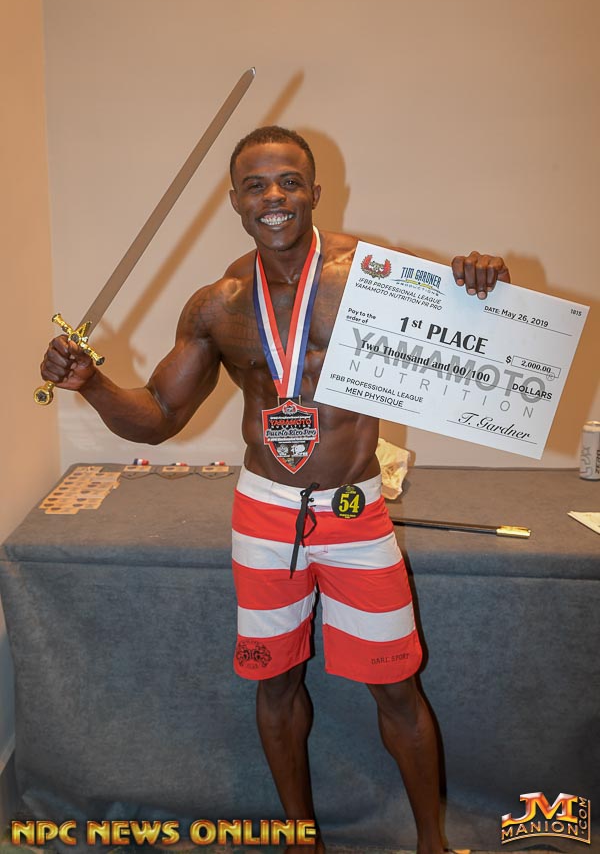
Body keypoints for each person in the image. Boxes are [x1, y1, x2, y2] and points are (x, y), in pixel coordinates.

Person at [40, 126, 510, 854]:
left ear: (315, 191)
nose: (274, 197)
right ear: (234, 200)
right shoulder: (218, 306)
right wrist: (91, 382)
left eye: (289, 181)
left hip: (354, 509)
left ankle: (432, 844)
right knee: (276, 682)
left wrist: (479, 283)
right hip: (265, 514)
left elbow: (479, 343)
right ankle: (300, 840)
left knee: (397, 687)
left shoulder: (374, 279)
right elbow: (159, 416)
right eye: (256, 185)